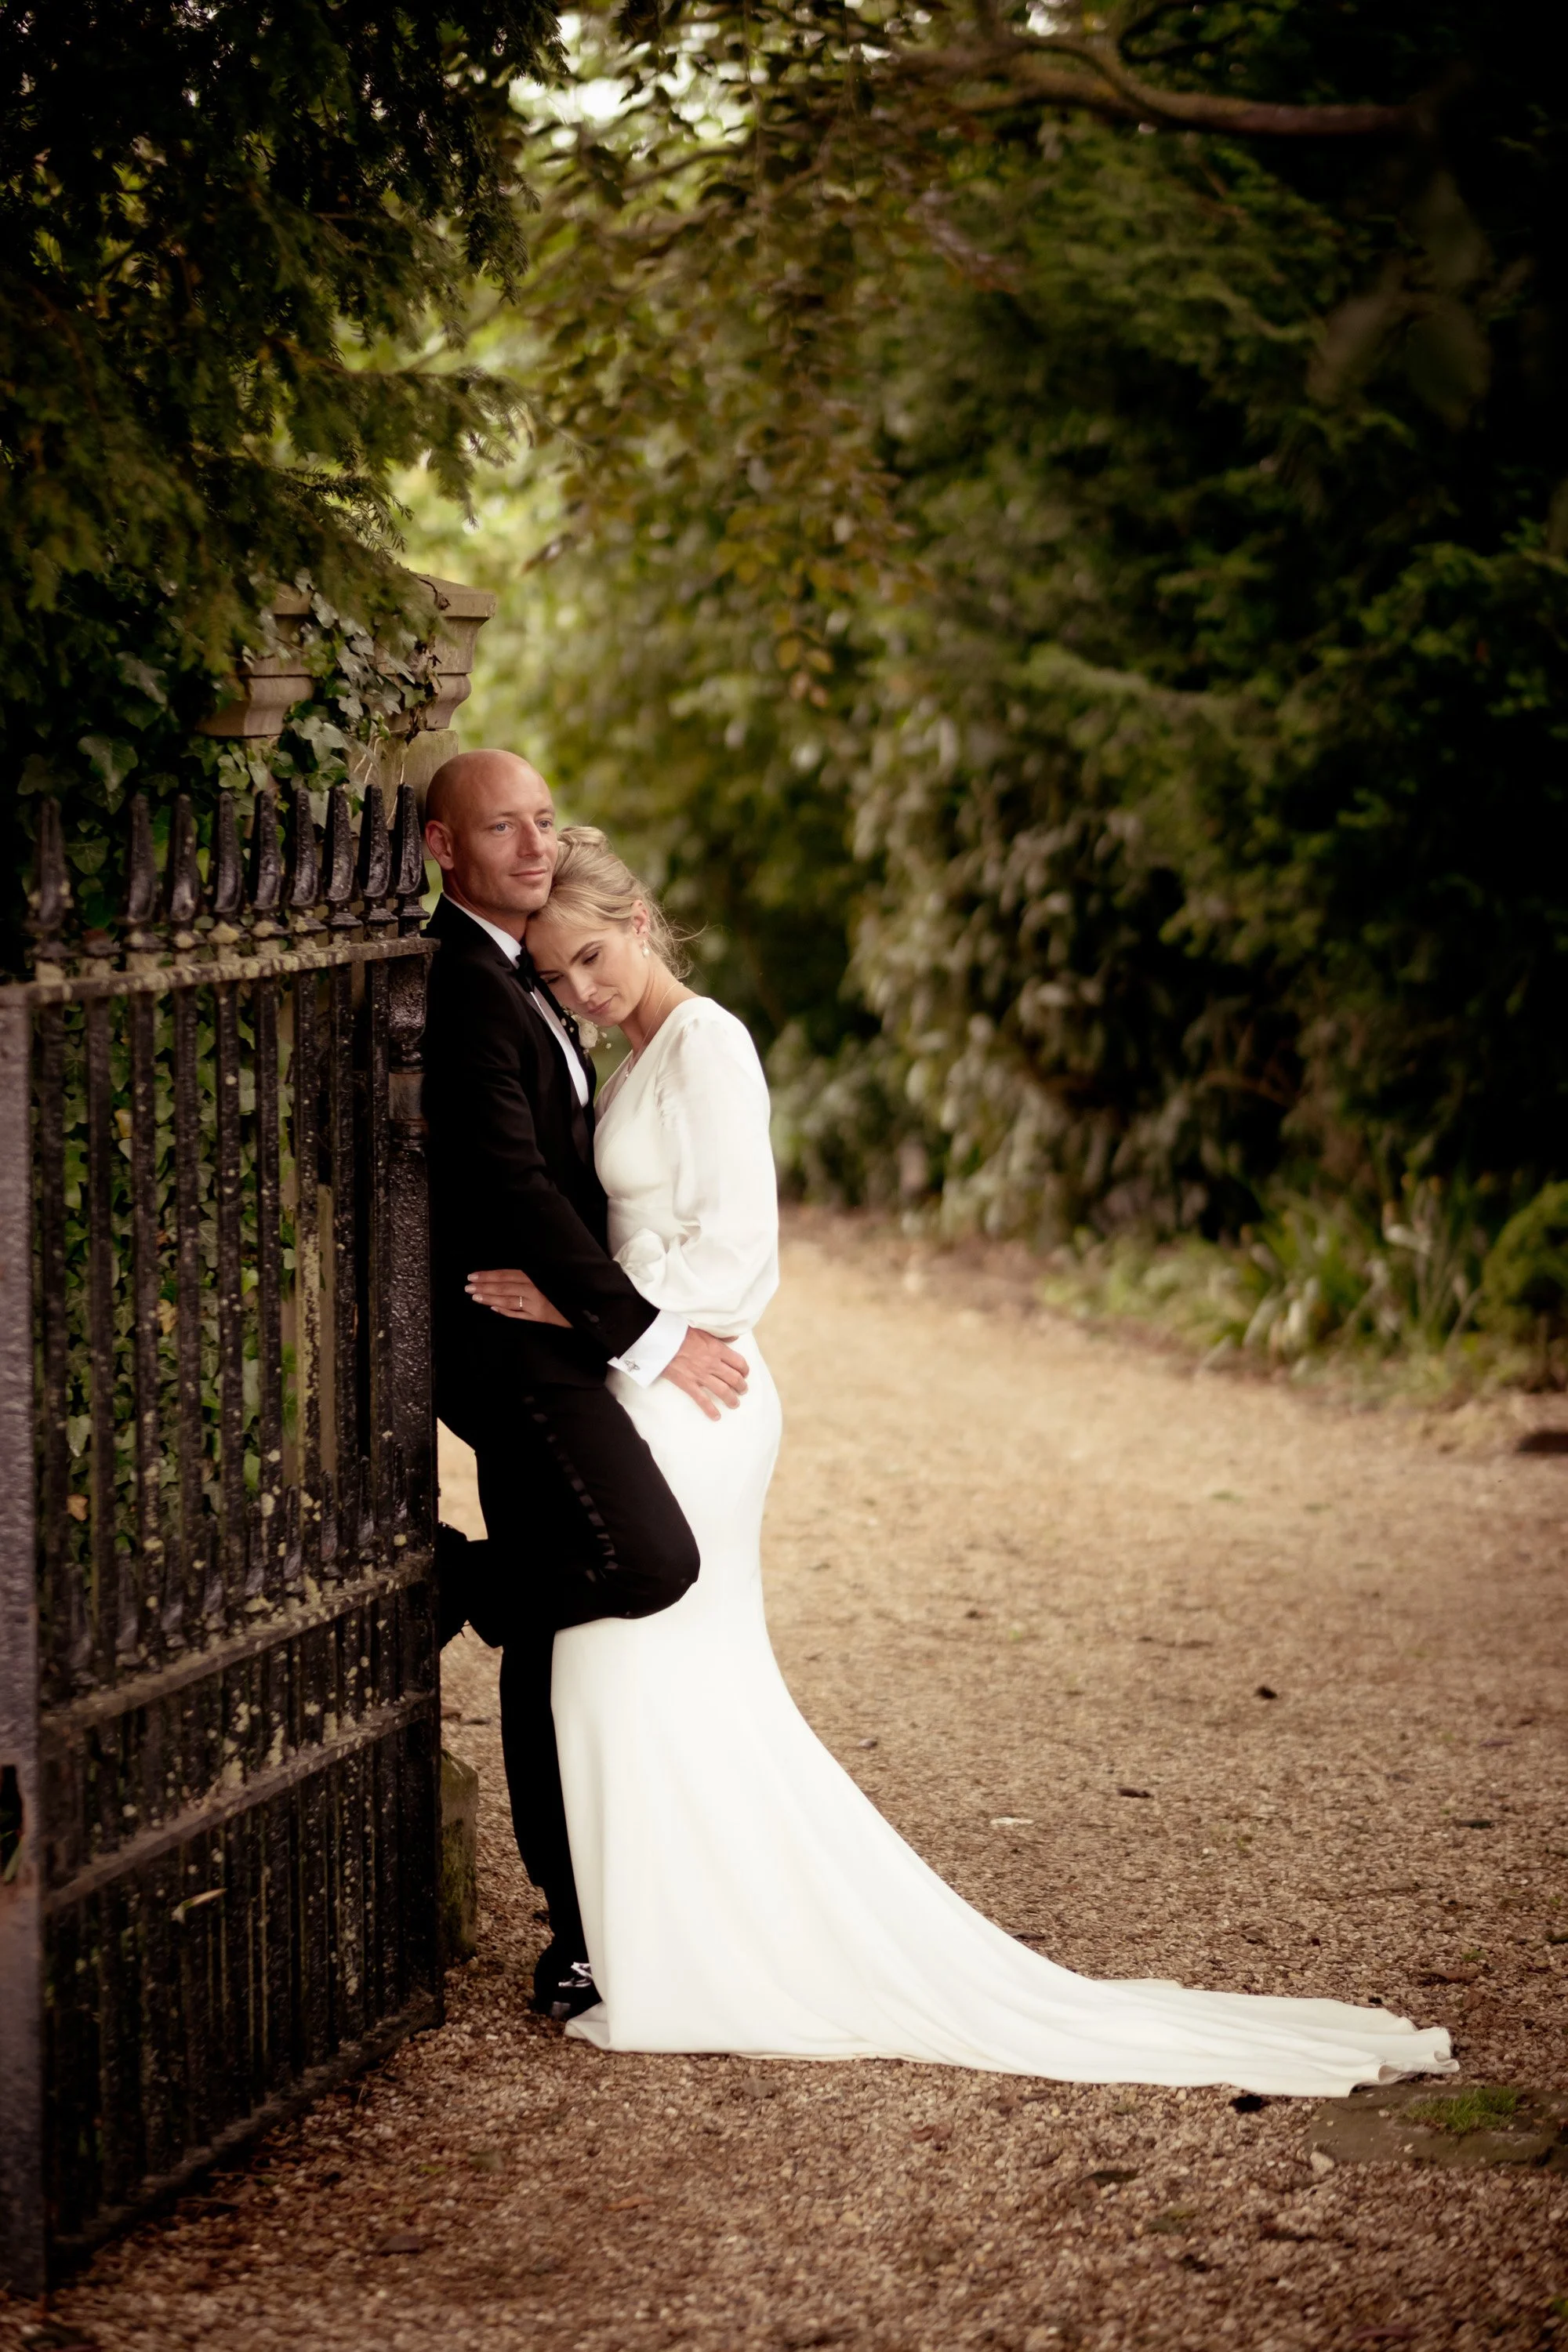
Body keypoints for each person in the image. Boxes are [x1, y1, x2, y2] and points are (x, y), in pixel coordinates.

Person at [464, 821, 1458, 2093]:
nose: (581, 991)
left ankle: (687, 1942)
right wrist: (611, 1312)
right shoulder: (639, 1057)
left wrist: (588, 1305)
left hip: (692, 1391)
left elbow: (740, 1262)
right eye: (556, 978)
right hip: (653, 1372)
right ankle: (661, 1937)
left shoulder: (711, 1046)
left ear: (643, 924)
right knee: (633, 1679)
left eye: (593, 958)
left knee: (639, 1656)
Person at [420, 749, 751, 2020]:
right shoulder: (468, 983)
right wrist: (644, 1334)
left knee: (567, 1620)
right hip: (518, 1349)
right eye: (503, 828)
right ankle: (452, 1583)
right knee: (642, 1562)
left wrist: (614, 1317)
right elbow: (510, 1188)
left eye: (546, 822)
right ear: (446, 848)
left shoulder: (534, 978)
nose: (534, 846)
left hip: (574, 1334)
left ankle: (582, 1928)